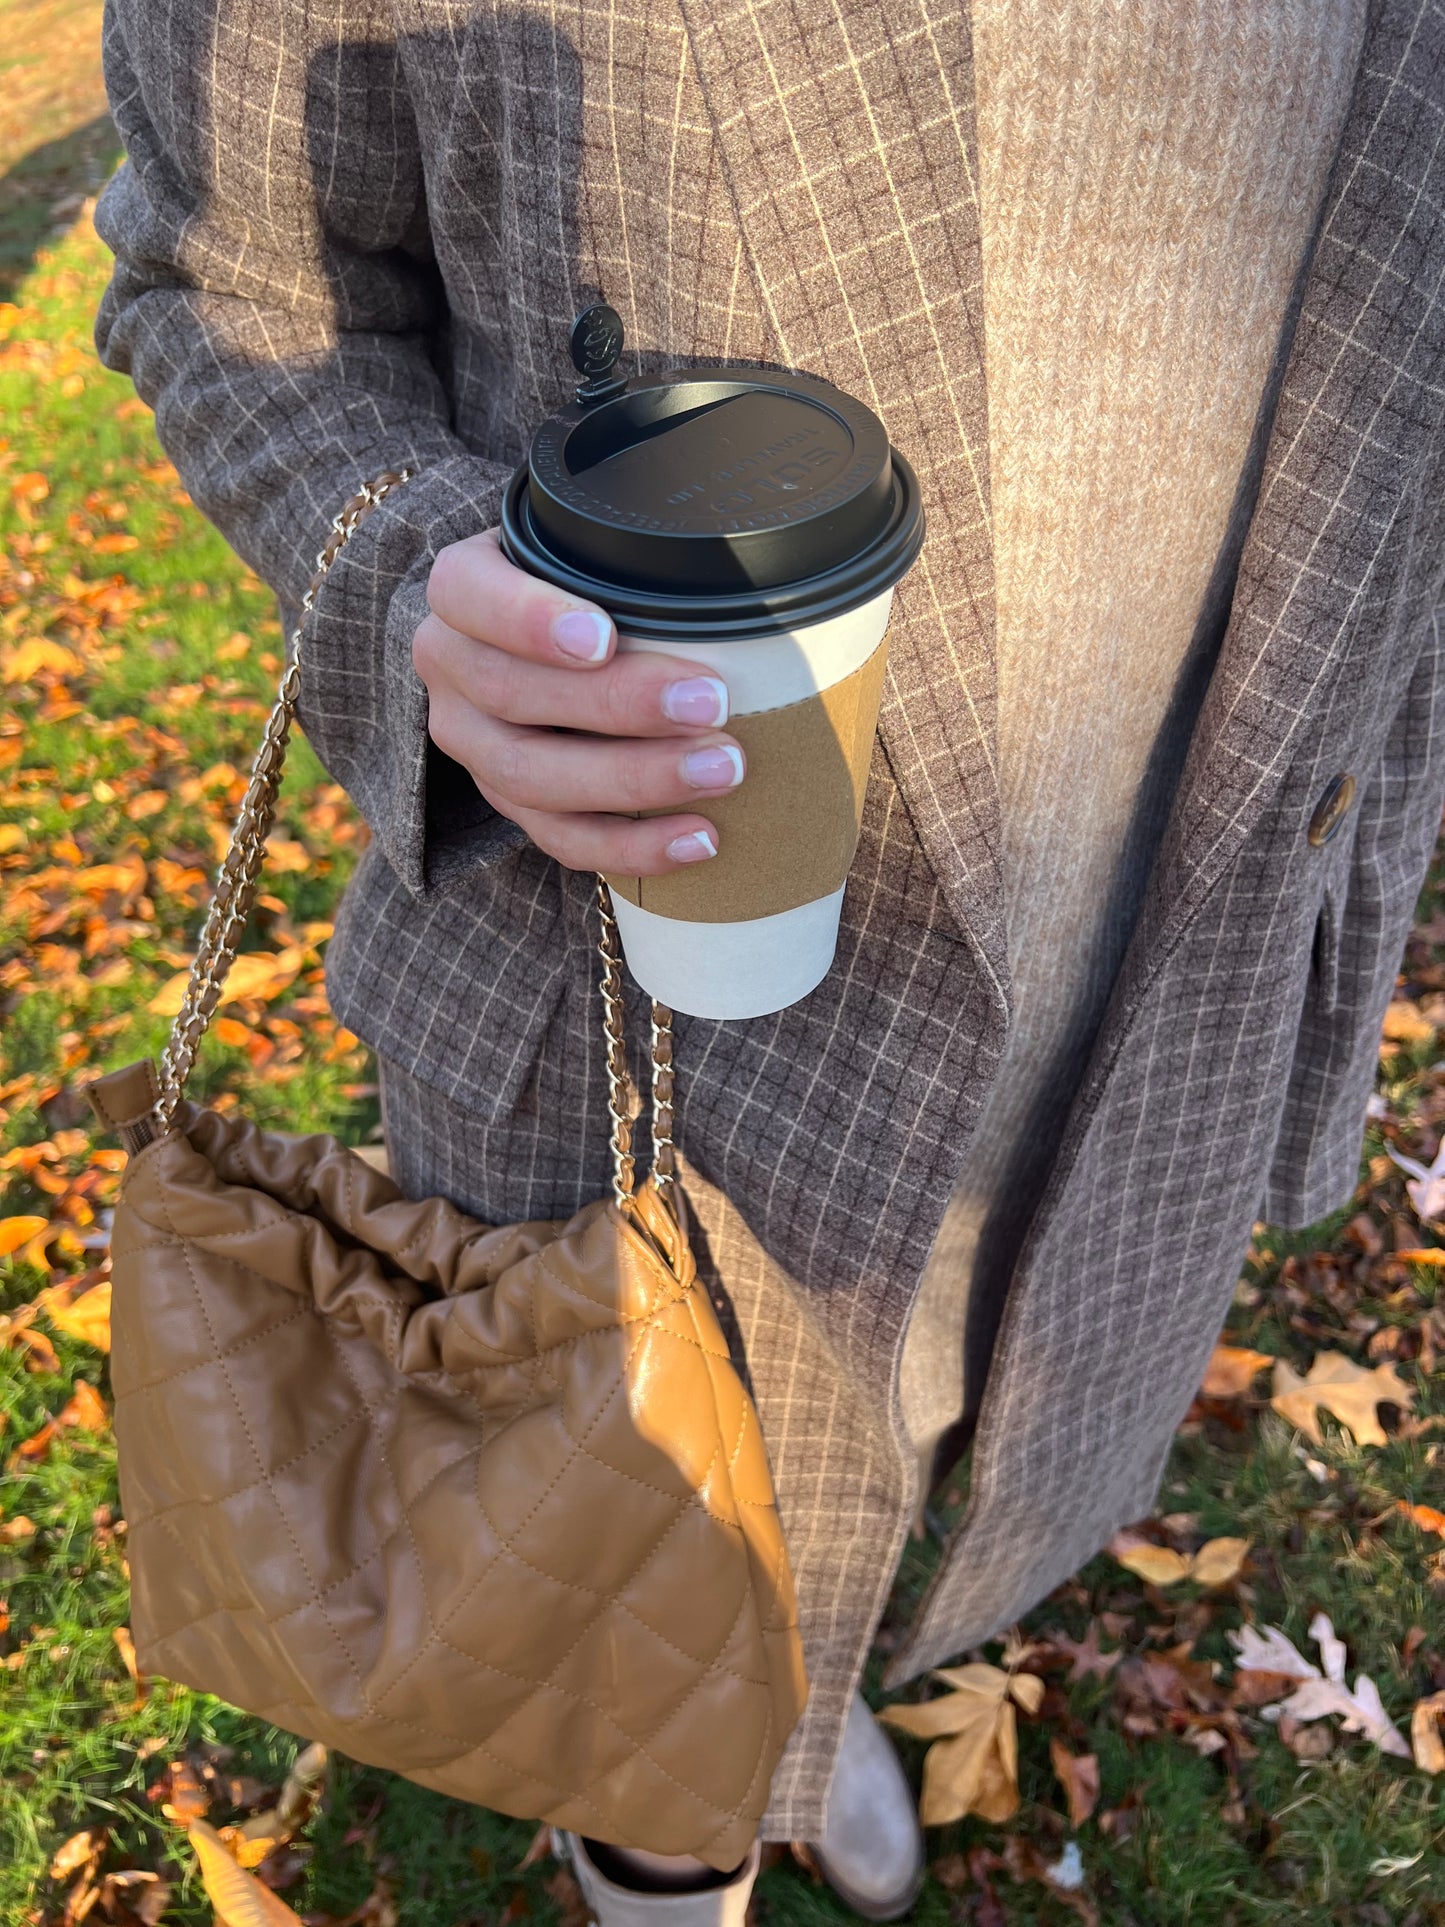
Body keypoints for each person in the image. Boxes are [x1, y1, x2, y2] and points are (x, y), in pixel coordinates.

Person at [94, 0, 1444, 1919]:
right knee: (642, 1617)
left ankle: (803, 1700)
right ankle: (670, 1838)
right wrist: (407, 578)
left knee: (916, 1466)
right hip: (645, 1042)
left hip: (1161, 976)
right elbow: (217, 283)